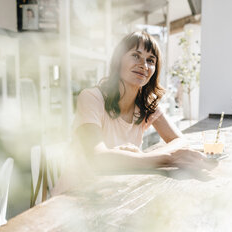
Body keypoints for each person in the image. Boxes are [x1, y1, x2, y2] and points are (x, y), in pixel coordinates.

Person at [72, 31, 209, 172]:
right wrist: (168, 158)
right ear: (118, 60)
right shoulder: (91, 98)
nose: (144, 65)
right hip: (77, 190)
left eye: (150, 60)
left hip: (118, 187)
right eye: (136, 56)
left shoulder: (146, 104)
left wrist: (146, 157)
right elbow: (98, 158)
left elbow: (180, 140)